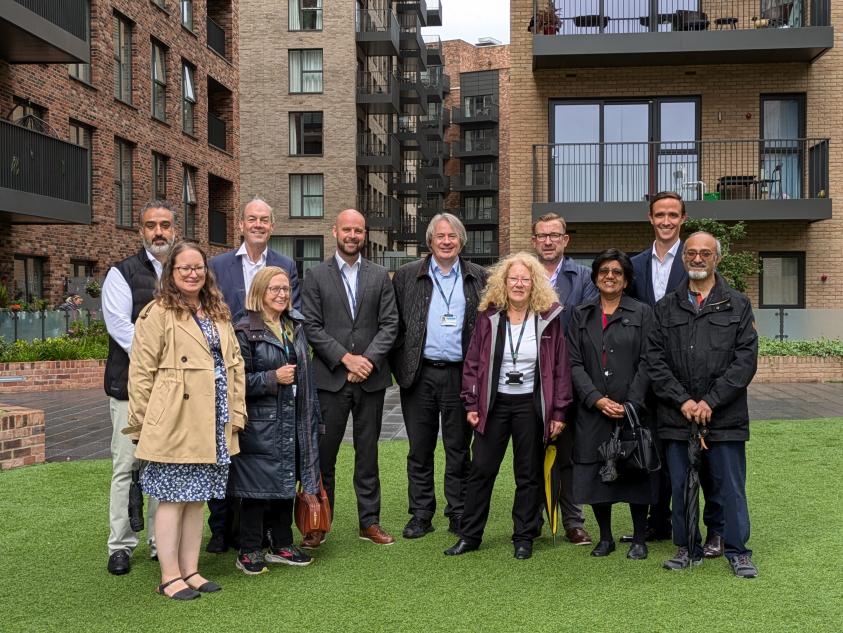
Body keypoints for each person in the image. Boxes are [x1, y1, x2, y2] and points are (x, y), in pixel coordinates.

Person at [124, 241, 246, 599]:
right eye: (184, 268)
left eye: (198, 267)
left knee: (197, 499)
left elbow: (234, 365)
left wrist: (236, 413)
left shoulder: (217, 312)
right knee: (173, 499)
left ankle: (191, 570)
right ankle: (169, 575)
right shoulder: (157, 312)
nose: (192, 274)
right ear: (171, 273)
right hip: (175, 420)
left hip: (214, 419)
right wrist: (142, 424)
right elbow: (141, 372)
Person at [445, 253, 572, 560]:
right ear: (503, 282)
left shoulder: (548, 318)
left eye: (525, 279)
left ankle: (524, 536)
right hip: (494, 403)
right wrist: (471, 402)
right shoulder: (489, 316)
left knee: (527, 473)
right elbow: (473, 362)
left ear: (535, 284)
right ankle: (470, 535)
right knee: (481, 470)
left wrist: (558, 411)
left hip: (531, 404)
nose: (518, 284)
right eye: (513, 278)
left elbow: (560, 367)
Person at [647, 232, 759, 578]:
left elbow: (745, 361)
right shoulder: (665, 307)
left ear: (717, 259)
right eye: (691, 253)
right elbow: (655, 360)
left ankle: (738, 551)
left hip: (724, 418)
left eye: (705, 254)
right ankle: (686, 548)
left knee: (730, 488)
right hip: (677, 417)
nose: (697, 258)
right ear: (684, 259)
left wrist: (710, 401)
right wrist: (683, 400)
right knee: (680, 486)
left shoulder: (738, 304)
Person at [628, 191, 723, 557]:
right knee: (654, 454)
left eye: (672, 215)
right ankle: (658, 520)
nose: (666, 221)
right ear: (650, 219)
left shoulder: (698, 259)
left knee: (705, 457)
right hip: (650, 374)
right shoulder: (635, 265)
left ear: (682, 218)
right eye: (659, 215)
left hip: (692, 380)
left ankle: (715, 529)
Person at [206, 196, 300, 553]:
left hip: (273, 381)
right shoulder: (218, 264)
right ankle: (222, 532)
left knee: (264, 465)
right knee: (230, 457)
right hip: (230, 369)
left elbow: (292, 315)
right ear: (241, 224)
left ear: (271, 226)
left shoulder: (285, 265)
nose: (258, 224)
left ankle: (270, 538)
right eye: (252, 219)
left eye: (265, 219)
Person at [302, 209, 399, 547]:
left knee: (367, 454)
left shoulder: (379, 275)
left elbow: (390, 324)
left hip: (370, 380)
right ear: (335, 232)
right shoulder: (315, 276)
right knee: (323, 454)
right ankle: (318, 524)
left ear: (364, 233)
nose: (353, 235)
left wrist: (367, 361)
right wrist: (346, 359)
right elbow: (311, 326)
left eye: (358, 230)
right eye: (347, 229)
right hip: (330, 379)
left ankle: (369, 522)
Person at [391, 213, 489, 539]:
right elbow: (396, 327)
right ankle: (421, 514)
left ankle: (458, 513)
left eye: (452, 236)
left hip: (461, 375)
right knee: (419, 449)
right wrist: (400, 365)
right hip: (419, 374)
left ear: (461, 241)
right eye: (440, 236)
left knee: (458, 448)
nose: (446, 241)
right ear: (430, 240)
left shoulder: (479, 277)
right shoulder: (407, 276)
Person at [567, 249, 658, 560]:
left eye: (617, 272)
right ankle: (605, 538)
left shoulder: (643, 313)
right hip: (593, 412)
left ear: (626, 279)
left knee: (635, 472)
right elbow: (574, 363)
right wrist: (596, 399)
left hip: (632, 411)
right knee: (596, 474)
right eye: (603, 271)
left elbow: (649, 361)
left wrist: (631, 401)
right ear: (595, 277)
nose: (610, 276)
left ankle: (640, 539)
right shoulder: (581, 314)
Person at [101, 200, 176, 576]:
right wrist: (161, 359)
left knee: (161, 466)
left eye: (164, 225)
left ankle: (158, 542)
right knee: (126, 467)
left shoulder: (183, 271)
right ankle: (120, 545)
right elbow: (121, 328)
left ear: (174, 230)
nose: (158, 232)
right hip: (129, 388)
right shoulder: (122, 273)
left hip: (173, 391)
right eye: (151, 225)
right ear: (141, 231)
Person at [231, 266, 321, 574]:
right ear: (259, 292)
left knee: (286, 481)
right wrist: (272, 378)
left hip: (293, 417)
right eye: (274, 289)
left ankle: (282, 544)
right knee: (255, 489)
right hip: (260, 422)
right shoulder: (244, 330)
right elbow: (236, 381)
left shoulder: (294, 325)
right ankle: (249, 549)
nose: (281, 294)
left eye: (285, 289)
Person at [530, 212, 597, 546]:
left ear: (565, 240)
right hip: (526, 378)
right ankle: (531, 520)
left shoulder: (583, 277)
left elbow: (587, 328)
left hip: (566, 377)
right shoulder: (521, 275)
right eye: (542, 235)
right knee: (529, 452)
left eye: (554, 235)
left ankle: (572, 520)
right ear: (534, 240)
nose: (548, 241)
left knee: (567, 453)